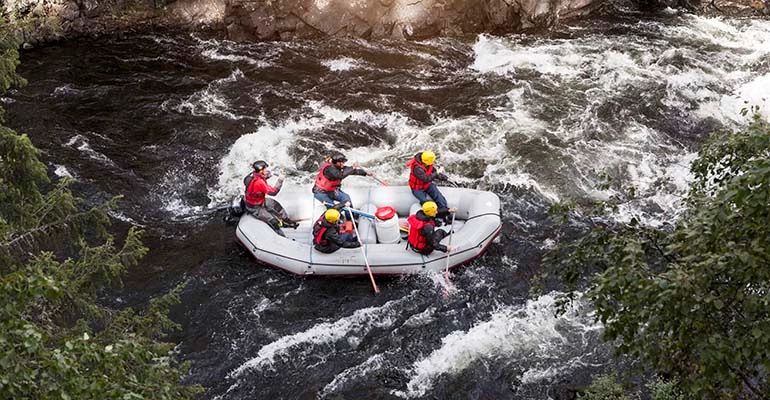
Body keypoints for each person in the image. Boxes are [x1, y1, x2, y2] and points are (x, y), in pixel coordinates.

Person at [244, 160, 298, 232]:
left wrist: (272, 174)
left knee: (276, 205)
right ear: (260, 170)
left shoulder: (254, 174)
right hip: (255, 208)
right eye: (264, 169)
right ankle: (280, 229)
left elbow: (263, 176)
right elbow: (273, 192)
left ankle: (286, 220)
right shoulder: (259, 182)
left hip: (260, 201)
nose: (266, 170)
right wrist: (280, 180)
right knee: (273, 221)